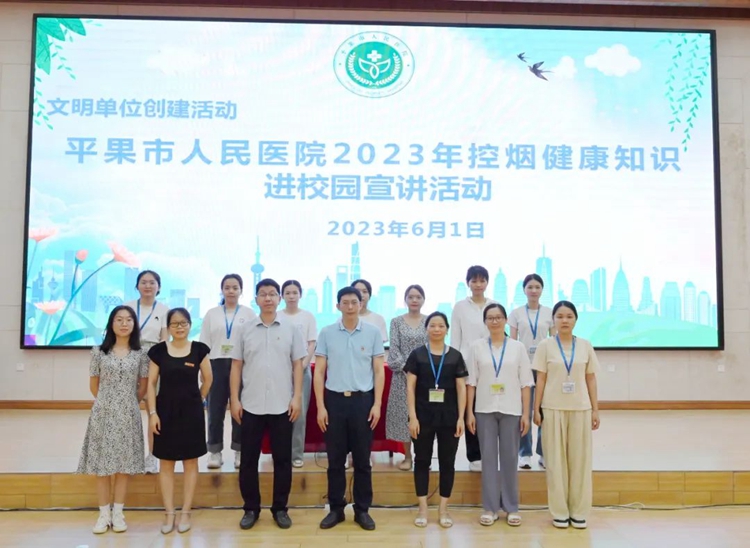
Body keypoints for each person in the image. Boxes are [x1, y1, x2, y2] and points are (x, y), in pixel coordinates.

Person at [230, 278, 306, 530]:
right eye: (263, 294)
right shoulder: (244, 329)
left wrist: (296, 397)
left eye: (273, 294)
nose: (268, 298)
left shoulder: (291, 328)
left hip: (282, 404)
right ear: (256, 299)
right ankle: (251, 508)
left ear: (279, 299)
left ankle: (280, 509)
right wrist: (234, 399)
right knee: (248, 460)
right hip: (250, 404)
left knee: (282, 460)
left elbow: (297, 365)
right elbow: (236, 366)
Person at [314, 287, 385, 531]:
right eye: (345, 302)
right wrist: (321, 406)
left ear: (361, 303)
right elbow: (319, 371)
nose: (351, 306)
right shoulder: (327, 332)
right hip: (334, 402)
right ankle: (336, 508)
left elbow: (379, 371)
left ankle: (362, 510)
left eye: (355, 302)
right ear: (338, 306)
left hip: (363, 402)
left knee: (363, 460)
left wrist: (377, 404)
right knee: (335, 460)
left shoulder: (373, 333)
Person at [77, 305, 149, 534]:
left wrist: (127, 402)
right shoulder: (98, 352)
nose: (124, 323)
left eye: (129, 319)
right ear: (111, 323)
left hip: (128, 414)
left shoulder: (141, 354)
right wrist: (108, 402)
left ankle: (118, 513)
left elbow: (143, 387)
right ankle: (103, 514)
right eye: (119, 319)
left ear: (134, 324)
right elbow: (94, 386)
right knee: (103, 467)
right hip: (103, 413)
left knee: (123, 466)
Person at [533, 301, 600, 530]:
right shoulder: (545, 346)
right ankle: (560, 512)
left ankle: (579, 511)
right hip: (552, 408)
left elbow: (590, 378)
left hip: (581, 409)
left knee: (580, 462)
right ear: (553, 320)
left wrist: (595, 409)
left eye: (569, 316)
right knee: (555, 463)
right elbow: (540, 379)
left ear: (575, 320)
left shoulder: (585, 345)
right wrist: (536, 409)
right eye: (560, 316)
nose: (564, 320)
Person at [466, 304, 533, 527]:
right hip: (484, 409)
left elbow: (526, 383)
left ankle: (511, 507)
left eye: (498, 317)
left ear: (505, 320)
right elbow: (471, 383)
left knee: (510, 459)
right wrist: (469, 413)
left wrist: (526, 413)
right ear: (485, 322)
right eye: (490, 318)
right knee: (488, 459)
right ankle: (490, 507)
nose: (494, 321)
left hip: (511, 409)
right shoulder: (476, 347)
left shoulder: (517, 347)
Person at [147, 308, 212, 535]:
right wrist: (152, 413)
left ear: (190, 325)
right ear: (169, 327)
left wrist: (199, 398)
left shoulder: (199, 350)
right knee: (166, 463)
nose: (179, 327)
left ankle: (185, 511)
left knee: (190, 462)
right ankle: (169, 513)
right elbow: (151, 384)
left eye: (183, 323)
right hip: (165, 413)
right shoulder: (158, 351)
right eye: (175, 324)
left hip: (191, 414)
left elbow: (208, 379)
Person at [406, 311, 467, 528]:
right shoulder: (417, 355)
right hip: (422, 417)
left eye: (441, 325)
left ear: (447, 329)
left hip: (449, 418)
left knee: (447, 462)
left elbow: (461, 388)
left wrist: (461, 418)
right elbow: (410, 387)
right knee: (422, 461)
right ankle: (422, 508)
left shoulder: (455, 356)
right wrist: (412, 417)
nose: (436, 329)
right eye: (432, 325)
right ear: (426, 329)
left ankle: (443, 509)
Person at [200, 274, 257, 470]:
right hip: (215, 364)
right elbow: (204, 343)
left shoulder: (249, 314)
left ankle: (240, 450)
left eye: (235, 287)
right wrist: (203, 369)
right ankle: (215, 451)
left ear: (241, 290)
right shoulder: (212, 314)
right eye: (227, 287)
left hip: (241, 364)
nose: (231, 291)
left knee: (240, 409)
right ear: (222, 290)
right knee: (215, 409)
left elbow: (254, 342)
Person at [450, 265, 495, 472]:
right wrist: (454, 366)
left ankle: (490, 453)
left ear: (487, 282)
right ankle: (474, 455)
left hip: (490, 366)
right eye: (474, 280)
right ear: (468, 283)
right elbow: (455, 339)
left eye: (482, 280)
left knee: (489, 410)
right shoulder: (460, 307)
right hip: (467, 367)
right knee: (471, 410)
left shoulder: (494, 306)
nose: (478, 284)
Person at [125, 269, 169, 474]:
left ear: (159, 287)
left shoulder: (164, 310)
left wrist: (160, 363)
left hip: (154, 359)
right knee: (127, 408)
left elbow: (165, 340)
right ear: (137, 286)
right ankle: (128, 455)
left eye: (152, 282)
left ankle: (152, 456)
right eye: (143, 282)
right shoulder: (128, 307)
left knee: (154, 410)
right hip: (129, 355)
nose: (148, 286)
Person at [509, 274, 555, 470]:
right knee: (525, 412)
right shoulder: (516, 313)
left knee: (543, 410)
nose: (534, 290)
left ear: (542, 290)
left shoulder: (550, 313)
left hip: (544, 367)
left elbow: (554, 342)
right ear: (524, 290)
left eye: (537, 287)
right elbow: (512, 343)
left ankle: (543, 453)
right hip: (524, 367)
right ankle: (525, 453)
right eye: (530, 287)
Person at [385, 284, 427, 471]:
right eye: (411, 297)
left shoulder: (429, 321)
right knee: (404, 417)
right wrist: (409, 371)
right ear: (405, 300)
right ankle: (408, 456)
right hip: (402, 378)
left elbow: (431, 348)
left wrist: (422, 371)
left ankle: (422, 458)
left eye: (418, 297)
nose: (414, 300)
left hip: (425, 378)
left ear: (423, 300)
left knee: (424, 417)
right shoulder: (396, 322)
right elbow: (394, 351)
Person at [279, 280, 318, 469]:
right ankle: (281, 453)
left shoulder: (307, 316)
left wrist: (302, 364)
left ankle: (296, 454)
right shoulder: (277, 315)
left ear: (300, 295)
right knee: (280, 413)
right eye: (287, 293)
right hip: (280, 371)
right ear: (282, 296)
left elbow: (312, 343)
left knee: (299, 413)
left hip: (302, 370)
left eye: (295, 292)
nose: (291, 296)